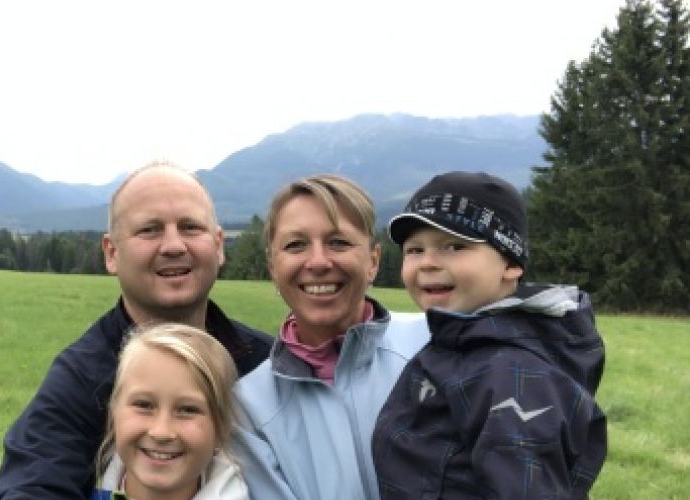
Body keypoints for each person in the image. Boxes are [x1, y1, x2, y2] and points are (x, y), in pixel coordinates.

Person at [0, 161, 272, 499]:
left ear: (219, 245)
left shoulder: (268, 365)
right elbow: (31, 486)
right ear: (111, 253)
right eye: (150, 230)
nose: (173, 245)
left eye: (190, 227)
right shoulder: (81, 378)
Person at [372, 171, 607, 498]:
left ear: (510, 263)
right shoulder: (461, 342)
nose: (427, 263)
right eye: (414, 250)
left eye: (454, 246)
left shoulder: (513, 373)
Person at [232, 174, 430, 499]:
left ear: (373, 261)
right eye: (295, 245)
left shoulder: (433, 344)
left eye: (338, 242)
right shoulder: (249, 406)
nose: (318, 262)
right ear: (273, 267)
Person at [91, 322, 248, 500]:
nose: (161, 432)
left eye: (188, 410)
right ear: (114, 412)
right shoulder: (75, 485)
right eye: (144, 405)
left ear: (221, 428)